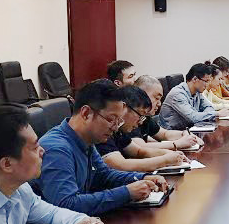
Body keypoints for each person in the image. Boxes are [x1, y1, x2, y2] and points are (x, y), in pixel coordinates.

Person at [32, 80, 168, 215]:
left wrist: (142, 177)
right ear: (86, 113)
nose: (115, 128)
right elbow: (66, 205)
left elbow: (104, 176)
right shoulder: (57, 149)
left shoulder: (86, 140)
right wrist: (127, 193)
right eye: (111, 119)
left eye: (118, 121)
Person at [95, 85, 189, 172]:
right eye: (140, 116)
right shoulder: (103, 130)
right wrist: (165, 160)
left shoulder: (119, 130)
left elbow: (139, 151)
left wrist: (168, 153)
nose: (140, 122)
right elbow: (120, 165)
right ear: (123, 108)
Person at [131, 75, 202, 151]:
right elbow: (140, 147)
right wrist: (178, 144)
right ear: (141, 95)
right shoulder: (130, 117)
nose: (159, 104)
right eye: (156, 98)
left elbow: (165, 134)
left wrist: (184, 134)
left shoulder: (145, 117)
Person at [160, 63, 229, 130]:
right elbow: (193, 117)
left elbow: (209, 107)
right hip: (172, 134)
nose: (207, 84)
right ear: (195, 79)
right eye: (206, 81)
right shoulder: (178, 94)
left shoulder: (197, 92)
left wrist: (204, 115)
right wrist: (216, 113)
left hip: (189, 129)